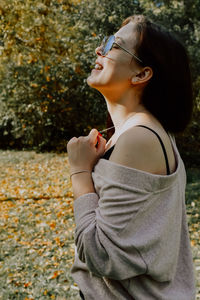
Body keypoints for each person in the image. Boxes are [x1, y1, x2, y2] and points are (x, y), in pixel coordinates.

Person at [67, 15, 196, 300]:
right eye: (105, 42)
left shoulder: (139, 139)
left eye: (114, 45)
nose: (100, 50)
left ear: (141, 75)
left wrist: (79, 171)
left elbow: (100, 255)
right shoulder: (136, 133)